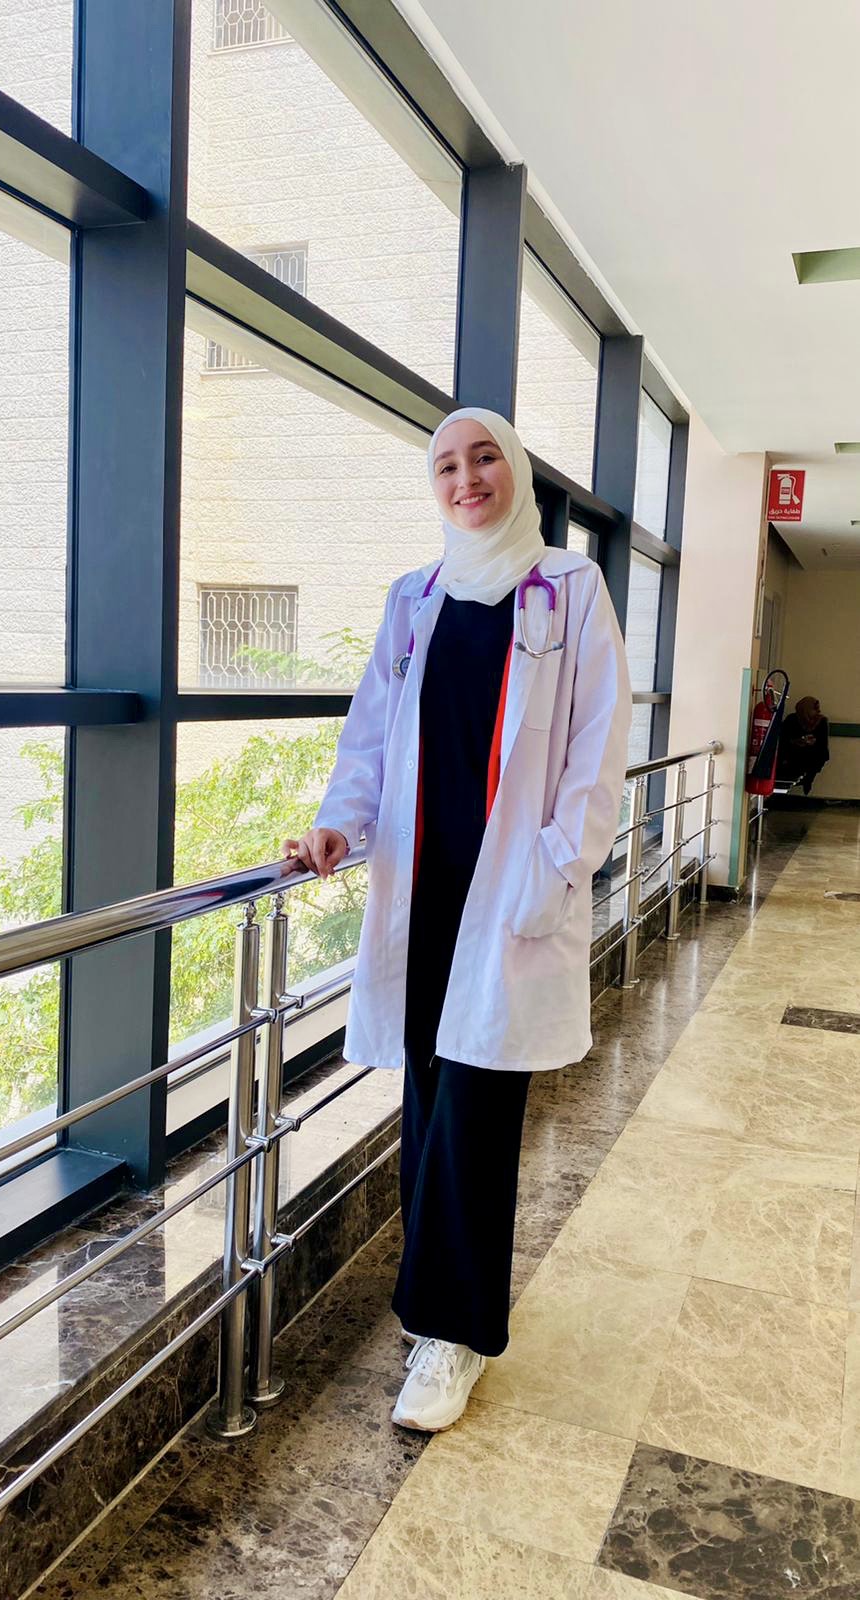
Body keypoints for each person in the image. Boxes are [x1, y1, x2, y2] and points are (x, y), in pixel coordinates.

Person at [284, 407, 631, 1433]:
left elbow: (597, 744)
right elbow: (371, 737)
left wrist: (558, 867)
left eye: (485, 459)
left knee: (476, 1115)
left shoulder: (569, 587)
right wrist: (338, 825)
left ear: (515, 472)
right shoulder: (414, 597)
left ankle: (455, 1333)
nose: (466, 478)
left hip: (510, 895)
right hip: (424, 889)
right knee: (431, 1103)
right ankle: (438, 1306)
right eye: (446, 465)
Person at [778, 695, 829, 794]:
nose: (818, 711)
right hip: (792, 757)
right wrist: (798, 741)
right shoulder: (792, 719)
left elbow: (823, 746)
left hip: (812, 757)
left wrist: (812, 743)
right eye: (815, 709)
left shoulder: (821, 721)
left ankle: (807, 780)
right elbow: (783, 740)